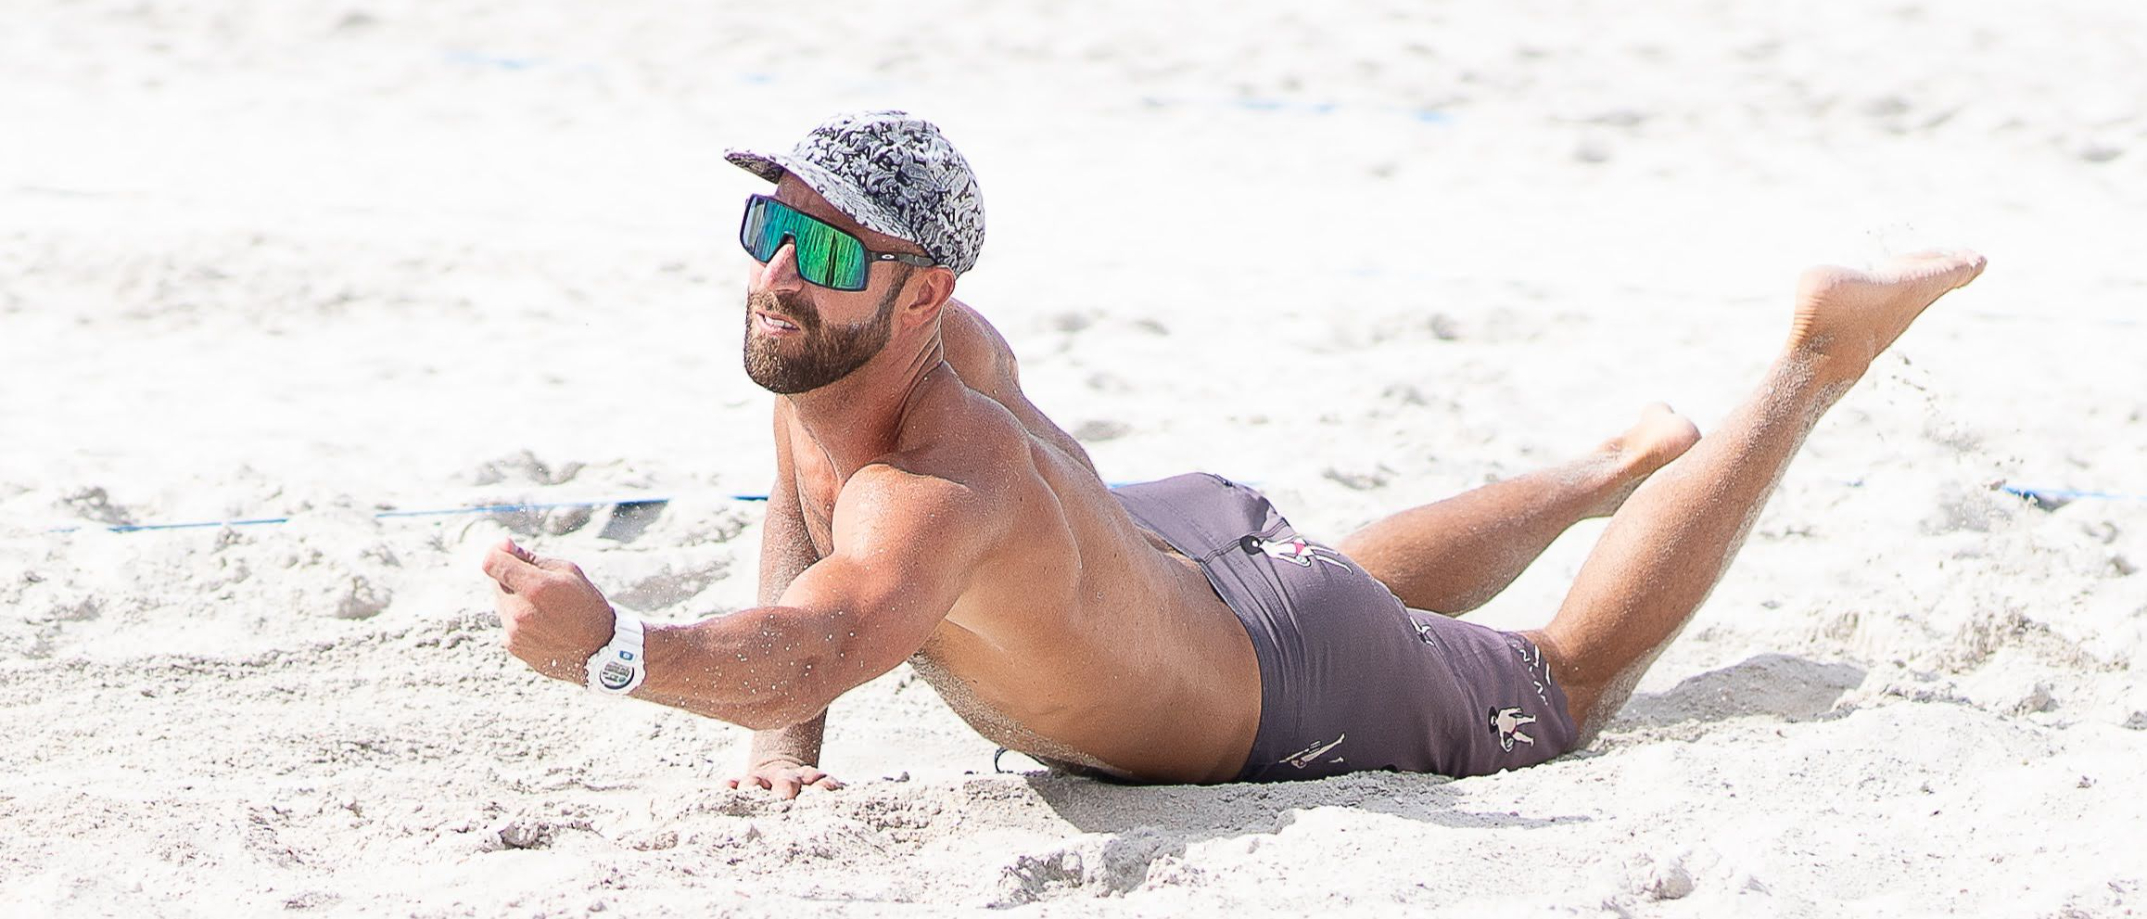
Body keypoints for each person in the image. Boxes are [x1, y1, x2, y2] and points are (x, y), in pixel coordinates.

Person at [481, 110, 1985, 794]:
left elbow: (817, 640)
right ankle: (1597, 470)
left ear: (924, 294)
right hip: (1188, 555)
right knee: (1351, 583)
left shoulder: (939, 487)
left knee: (1566, 681)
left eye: (820, 248)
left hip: (1277, 683)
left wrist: (615, 650)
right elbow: (796, 517)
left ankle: (1813, 357)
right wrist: (779, 762)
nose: (777, 272)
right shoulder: (841, 356)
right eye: (768, 224)